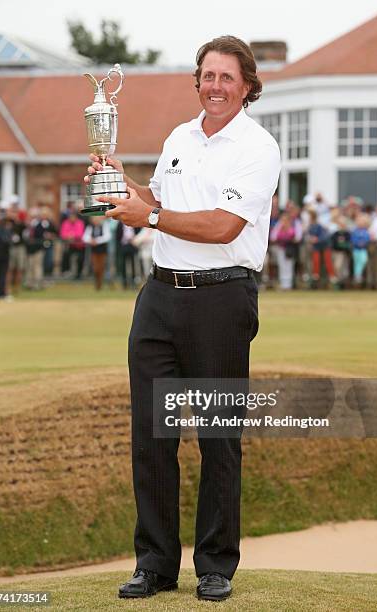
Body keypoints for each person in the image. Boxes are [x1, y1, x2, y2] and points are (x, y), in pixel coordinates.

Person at [85, 35, 280, 601]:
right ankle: (156, 564)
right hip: (160, 296)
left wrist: (151, 214)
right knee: (151, 435)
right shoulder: (179, 136)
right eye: (207, 76)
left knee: (218, 437)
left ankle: (215, 564)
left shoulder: (257, 146)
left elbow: (223, 226)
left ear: (247, 86)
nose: (215, 86)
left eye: (227, 77)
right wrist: (117, 184)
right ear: (197, 82)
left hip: (221, 300)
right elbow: (157, 201)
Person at [83, 217, 111, 290]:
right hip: (94, 251)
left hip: (102, 251)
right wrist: (91, 240)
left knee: (101, 268)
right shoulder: (90, 227)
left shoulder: (104, 226)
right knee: (95, 268)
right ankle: (97, 284)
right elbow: (85, 237)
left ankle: (100, 284)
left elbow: (107, 237)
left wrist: (97, 241)